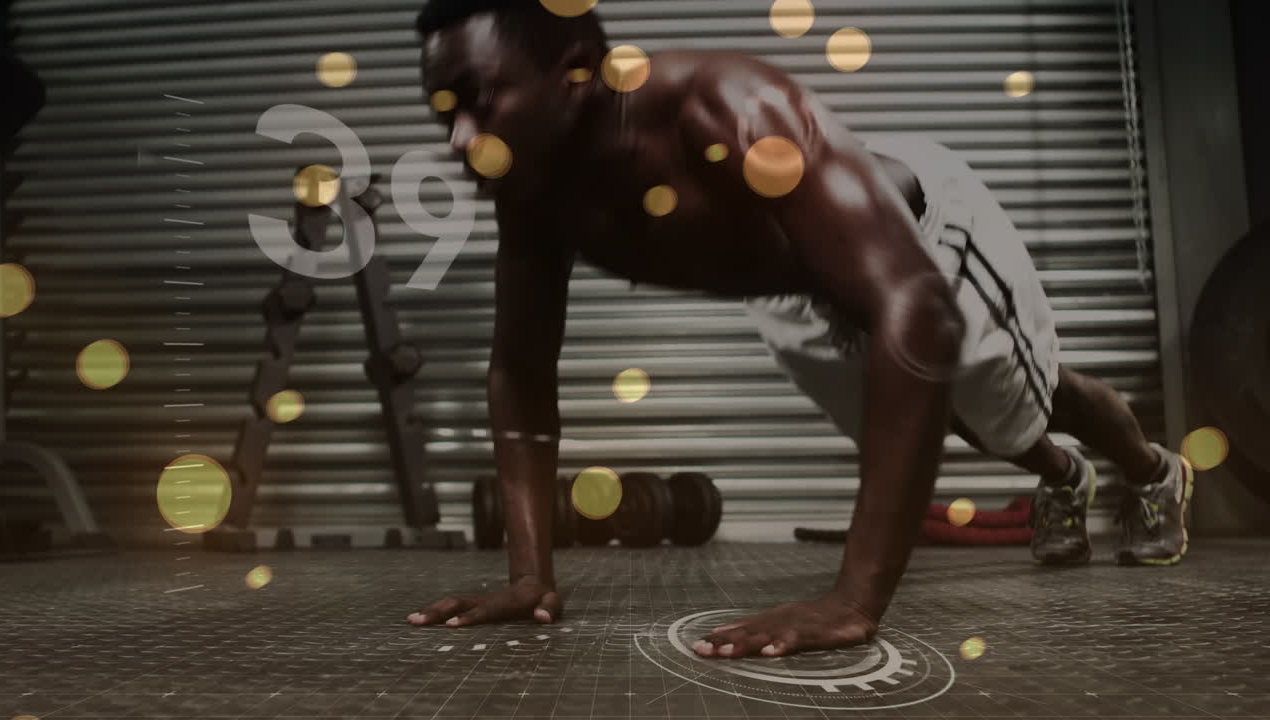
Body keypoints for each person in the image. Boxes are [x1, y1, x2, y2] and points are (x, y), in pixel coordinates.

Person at [406, 0, 1193, 659]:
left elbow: (916, 306)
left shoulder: (726, 106)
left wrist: (854, 598)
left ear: (576, 72)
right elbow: (520, 368)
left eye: (481, 98)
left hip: (919, 236)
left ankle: (1150, 467)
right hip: (794, 281)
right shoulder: (530, 184)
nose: (458, 138)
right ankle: (1063, 475)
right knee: (956, 417)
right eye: (445, 109)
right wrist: (529, 576)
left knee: (1017, 394)